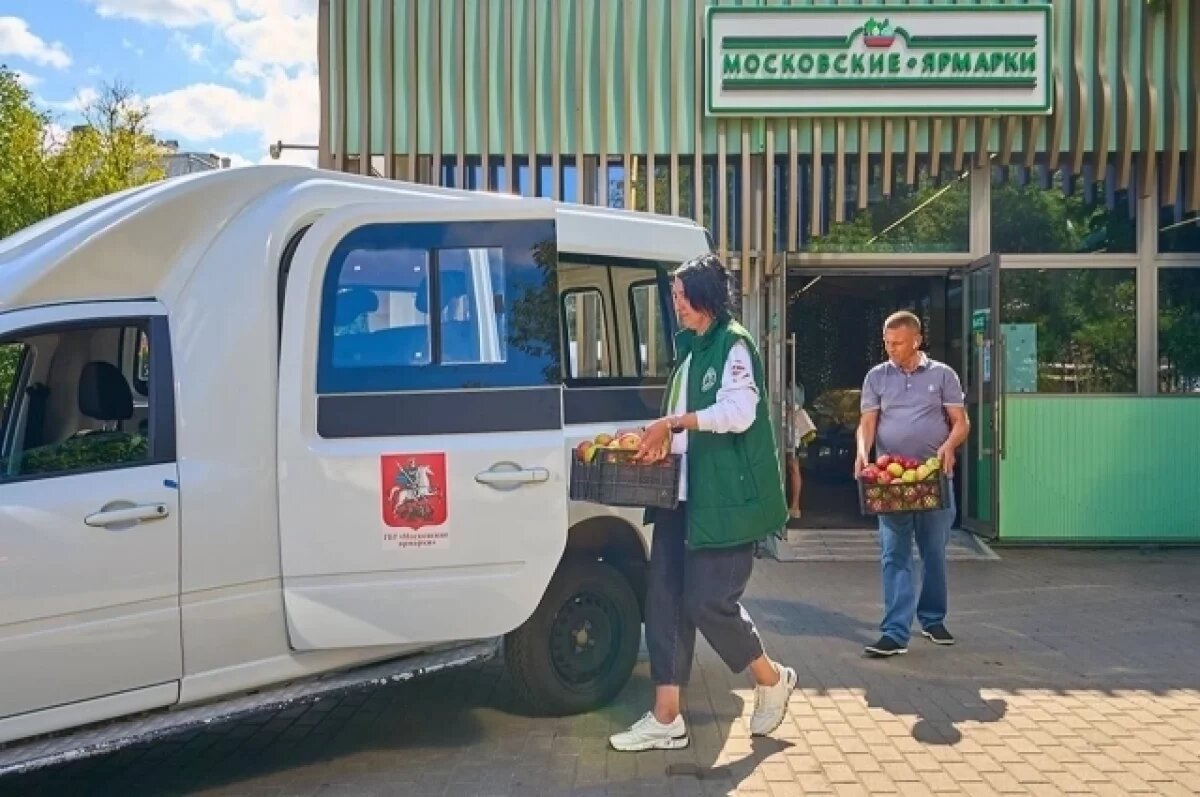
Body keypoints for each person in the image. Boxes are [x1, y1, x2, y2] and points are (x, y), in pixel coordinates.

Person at [608, 253, 795, 753]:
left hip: (725, 499)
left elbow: (738, 412)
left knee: (708, 603)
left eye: (683, 296)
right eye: (674, 297)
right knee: (664, 602)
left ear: (707, 295)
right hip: (679, 496)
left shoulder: (733, 344)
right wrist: (653, 439)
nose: (678, 305)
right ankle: (666, 717)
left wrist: (672, 424)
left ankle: (772, 678)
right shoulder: (688, 349)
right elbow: (680, 422)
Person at [854, 311, 969, 658]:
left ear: (916, 341)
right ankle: (894, 631)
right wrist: (863, 453)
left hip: (934, 478)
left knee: (934, 553)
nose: (889, 348)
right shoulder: (877, 377)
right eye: (886, 342)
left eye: (897, 343)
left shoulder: (942, 375)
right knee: (894, 554)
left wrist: (950, 445)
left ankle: (933, 618)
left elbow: (960, 422)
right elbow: (868, 423)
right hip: (892, 481)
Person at [786, 381, 815, 519]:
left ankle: (795, 505)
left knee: (793, 467)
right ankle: (794, 505)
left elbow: (795, 408)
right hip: (791, 432)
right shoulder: (798, 387)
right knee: (793, 467)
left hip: (790, 432)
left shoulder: (794, 387)